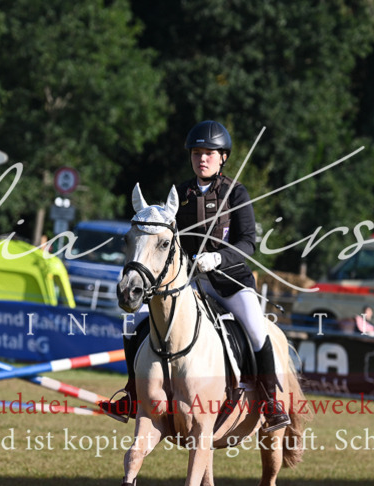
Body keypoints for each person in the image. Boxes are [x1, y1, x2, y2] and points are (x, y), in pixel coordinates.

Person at [100, 120, 291, 432]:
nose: (202, 159)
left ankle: (271, 404)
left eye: (209, 153)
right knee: (135, 326)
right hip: (189, 283)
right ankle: (132, 395)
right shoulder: (180, 193)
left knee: (258, 332)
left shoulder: (236, 192)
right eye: (197, 153)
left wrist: (218, 257)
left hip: (230, 283)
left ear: (222, 157)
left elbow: (247, 242)